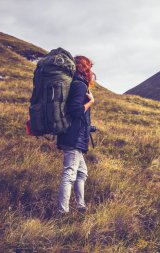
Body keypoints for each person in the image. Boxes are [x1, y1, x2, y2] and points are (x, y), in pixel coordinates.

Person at [56, 55, 95, 214]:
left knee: (82, 172)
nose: (91, 72)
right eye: (89, 68)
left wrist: (88, 127)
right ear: (84, 68)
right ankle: (62, 212)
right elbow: (76, 110)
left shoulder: (74, 83)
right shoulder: (79, 85)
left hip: (73, 135)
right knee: (70, 174)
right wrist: (91, 102)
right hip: (73, 137)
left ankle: (81, 206)